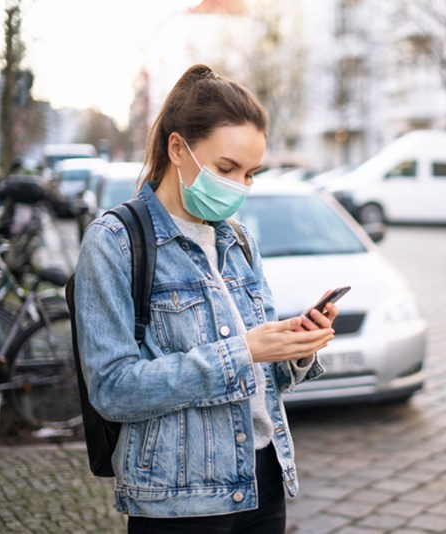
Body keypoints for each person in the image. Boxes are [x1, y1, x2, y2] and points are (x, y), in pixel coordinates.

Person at [73, 64, 335, 533]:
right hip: (180, 498)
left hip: (263, 478)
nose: (239, 186)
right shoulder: (114, 241)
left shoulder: (239, 240)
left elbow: (261, 371)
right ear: (178, 148)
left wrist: (295, 347)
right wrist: (243, 350)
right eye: (226, 168)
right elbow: (112, 391)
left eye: (250, 173)